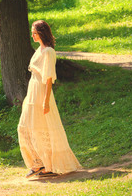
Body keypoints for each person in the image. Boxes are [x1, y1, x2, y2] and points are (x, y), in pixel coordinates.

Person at [18, 20, 81, 178]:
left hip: (41, 92)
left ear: (42, 32)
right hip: (32, 91)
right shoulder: (39, 49)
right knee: (25, 127)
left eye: (35, 32)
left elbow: (48, 79)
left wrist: (45, 102)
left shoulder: (48, 52)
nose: (32, 35)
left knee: (43, 128)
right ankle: (38, 163)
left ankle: (49, 165)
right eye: (32, 32)